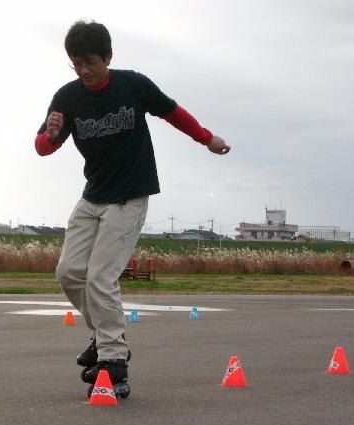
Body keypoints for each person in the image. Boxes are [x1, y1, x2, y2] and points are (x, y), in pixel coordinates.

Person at [35, 20, 230, 392]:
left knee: (100, 277)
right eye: (77, 63)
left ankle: (113, 360)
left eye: (91, 62)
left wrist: (206, 139)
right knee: (69, 272)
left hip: (130, 194)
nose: (84, 70)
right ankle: (107, 335)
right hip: (93, 195)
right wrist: (52, 135)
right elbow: (43, 147)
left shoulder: (133, 85)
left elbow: (173, 112)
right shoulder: (67, 97)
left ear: (108, 57)